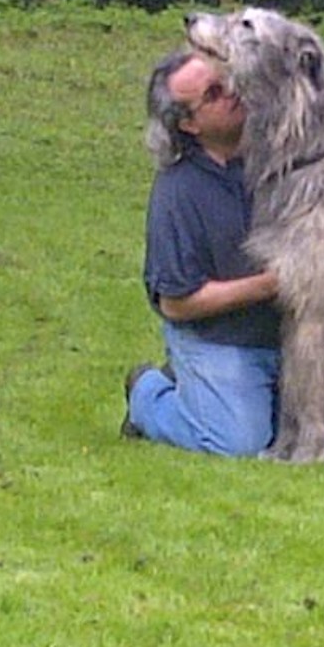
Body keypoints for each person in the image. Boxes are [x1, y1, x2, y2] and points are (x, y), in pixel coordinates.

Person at [121, 50, 282, 456]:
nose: (232, 91)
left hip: (284, 339)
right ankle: (147, 395)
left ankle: (196, 387)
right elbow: (176, 302)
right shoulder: (178, 193)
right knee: (236, 443)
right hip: (219, 340)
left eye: (227, 78)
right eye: (213, 93)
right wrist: (269, 286)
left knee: (294, 442)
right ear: (188, 124)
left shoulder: (279, 158)